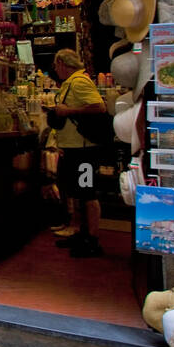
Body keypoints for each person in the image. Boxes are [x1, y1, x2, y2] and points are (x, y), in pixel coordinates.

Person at [51, 48, 108, 258]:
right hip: (73, 148)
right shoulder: (70, 83)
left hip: (84, 150)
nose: (56, 70)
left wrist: (69, 111)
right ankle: (83, 233)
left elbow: (99, 107)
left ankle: (92, 239)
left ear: (64, 64)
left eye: (57, 65)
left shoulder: (80, 82)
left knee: (88, 193)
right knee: (78, 192)